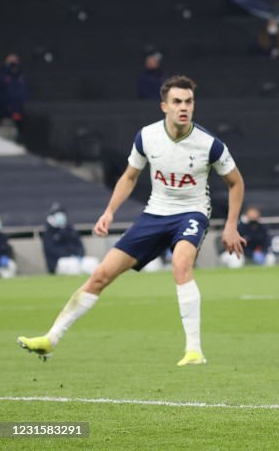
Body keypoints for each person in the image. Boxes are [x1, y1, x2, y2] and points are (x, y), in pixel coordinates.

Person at [18, 76, 246, 365]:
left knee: (180, 264)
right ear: (164, 106)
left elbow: (236, 183)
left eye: (188, 101)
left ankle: (194, 350)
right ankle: (51, 339)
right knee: (101, 275)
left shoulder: (209, 145)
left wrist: (230, 225)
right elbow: (129, 177)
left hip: (191, 212)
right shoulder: (147, 137)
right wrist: (109, 211)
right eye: (177, 101)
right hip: (154, 215)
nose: (184, 107)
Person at [41, 203, 95, 275]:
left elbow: (79, 245)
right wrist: (68, 255)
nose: (61, 216)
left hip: (75, 259)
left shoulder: (70, 230)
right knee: (71, 265)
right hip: (58, 263)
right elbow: (51, 250)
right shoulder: (48, 233)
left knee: (92, 263)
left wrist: (78, 255)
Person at [0, 53, 28, 133]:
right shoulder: (1, 76)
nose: (13, 64)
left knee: (18, 132)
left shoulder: (21, 77)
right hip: (3, 110)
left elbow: (24, 92)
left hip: (18, 110)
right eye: (11, 62)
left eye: (15, 62)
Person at [0, 213, 18, 278]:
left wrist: (6, 258)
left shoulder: (2, 236)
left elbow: (7, 249)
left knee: (12, 265)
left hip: (1, 260)